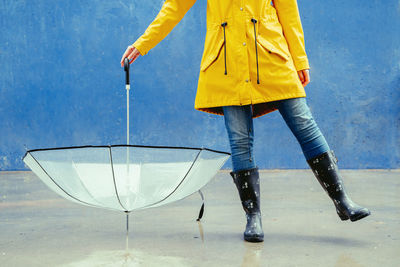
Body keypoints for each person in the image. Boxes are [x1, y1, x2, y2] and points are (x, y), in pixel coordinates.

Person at [120, 0, 371, 243]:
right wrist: (143, 44)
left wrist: (300, 58)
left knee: (304, 123)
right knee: (240, 140)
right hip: (227, 62)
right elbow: (174, 7)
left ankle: (342, 200)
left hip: (271, 54)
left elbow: (288, 9)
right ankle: (253, 217)